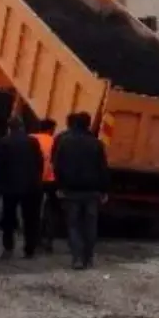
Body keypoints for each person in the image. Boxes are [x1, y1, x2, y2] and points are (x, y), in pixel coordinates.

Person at [51, 112, 109, 270]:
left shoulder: (65, 142)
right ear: (88, 124)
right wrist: (104, 190)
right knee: (90, 225)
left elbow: (57, 166)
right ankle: (88, 257)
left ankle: (76, 257)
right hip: (92, 192)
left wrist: (59, 186)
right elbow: (103, 169)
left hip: (71, 191)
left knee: (73, 225)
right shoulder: (97, 144)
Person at [0, 117, 45, 259]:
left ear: (9, 128)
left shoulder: (3, 142)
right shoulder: (32, 142)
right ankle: (29, 249)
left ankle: (8, 247)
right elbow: (39, 162)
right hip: (31, 186)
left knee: (9, 218)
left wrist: (0, 184)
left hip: (10, 187)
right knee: (30, 219)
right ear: (22, 127)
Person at [30, 118, 60, 253]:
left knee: (33, 210)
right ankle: (48, 239)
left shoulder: (30, 139)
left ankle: (33, 238)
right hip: (51, 180)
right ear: (50, 129)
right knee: (51, 211)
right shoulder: (55, 141)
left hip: (34, 180)